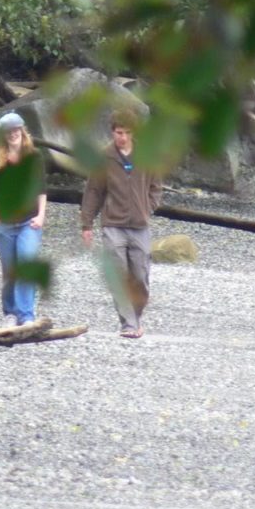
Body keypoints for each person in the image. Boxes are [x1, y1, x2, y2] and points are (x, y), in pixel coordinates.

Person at [80, 109, 163, 339]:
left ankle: (136, 317)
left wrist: (148, 207)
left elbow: (156, 186)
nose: (122, 137)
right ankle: (128, 324)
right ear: (112, 132)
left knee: (140, 276)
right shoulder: (104, 157)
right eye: (118, 133)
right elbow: (93, 192)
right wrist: (86, 224)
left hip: (140, 225)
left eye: (126, 133)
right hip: (113, 224)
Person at [0, 111, 47, 326]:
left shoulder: (34, 157)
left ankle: (26, 315)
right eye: (8, 131)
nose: (13, 134)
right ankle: (10, 312)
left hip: (29, 222)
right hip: (5, 225)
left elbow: (41, 190)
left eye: (16, 130)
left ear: (22, 130)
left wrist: (41, 216)